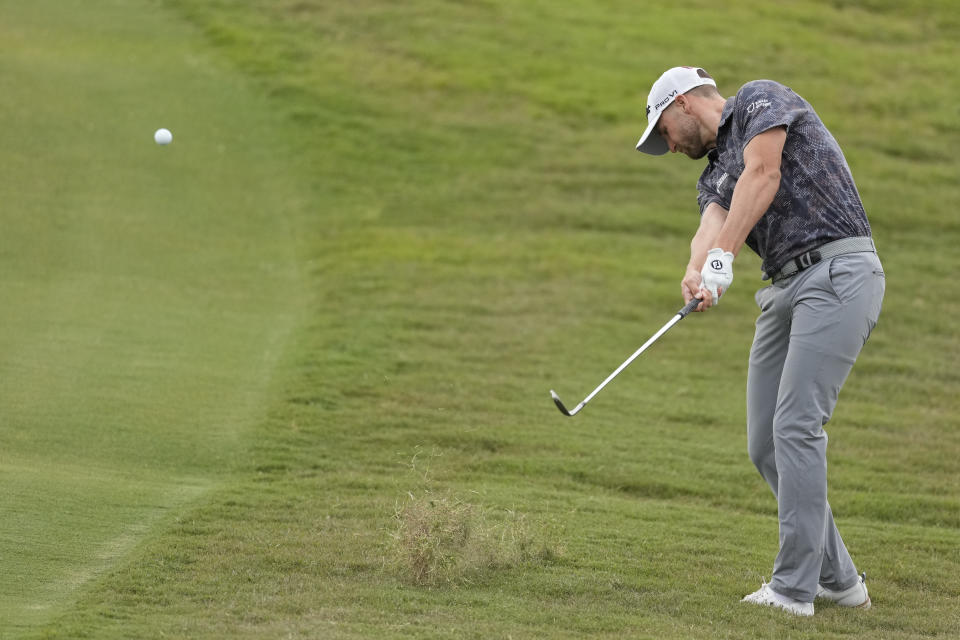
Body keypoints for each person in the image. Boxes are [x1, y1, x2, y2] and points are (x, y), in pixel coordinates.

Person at [635, 67, 884, 616]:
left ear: (683, 104)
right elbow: (712, 223)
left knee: (796, 425)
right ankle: (840, 581)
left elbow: (763, 173)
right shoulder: (710, 176)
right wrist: (697, 269)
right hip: (784, 289)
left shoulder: (758, 101)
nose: (669, 146)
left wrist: (724, 255)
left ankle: (793, 590)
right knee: (764, 443)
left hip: (838, 273)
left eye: (665, 133)